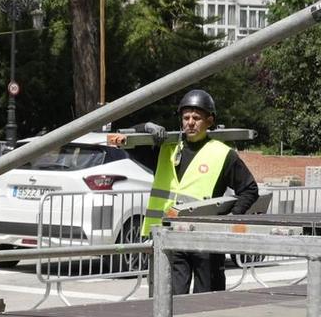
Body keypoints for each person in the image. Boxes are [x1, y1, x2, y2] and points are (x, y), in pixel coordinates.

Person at [109, 87, 259, 294]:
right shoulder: (166, 149)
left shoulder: (223, 154)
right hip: (168, 236)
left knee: (206, 301)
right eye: (186, 117)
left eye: (196, 117)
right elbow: (124, 141)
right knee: (169, 301)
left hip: (205, 240)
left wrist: (231, 217)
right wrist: (145, 126)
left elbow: (249, 190)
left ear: (210, 120)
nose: (190, 122)